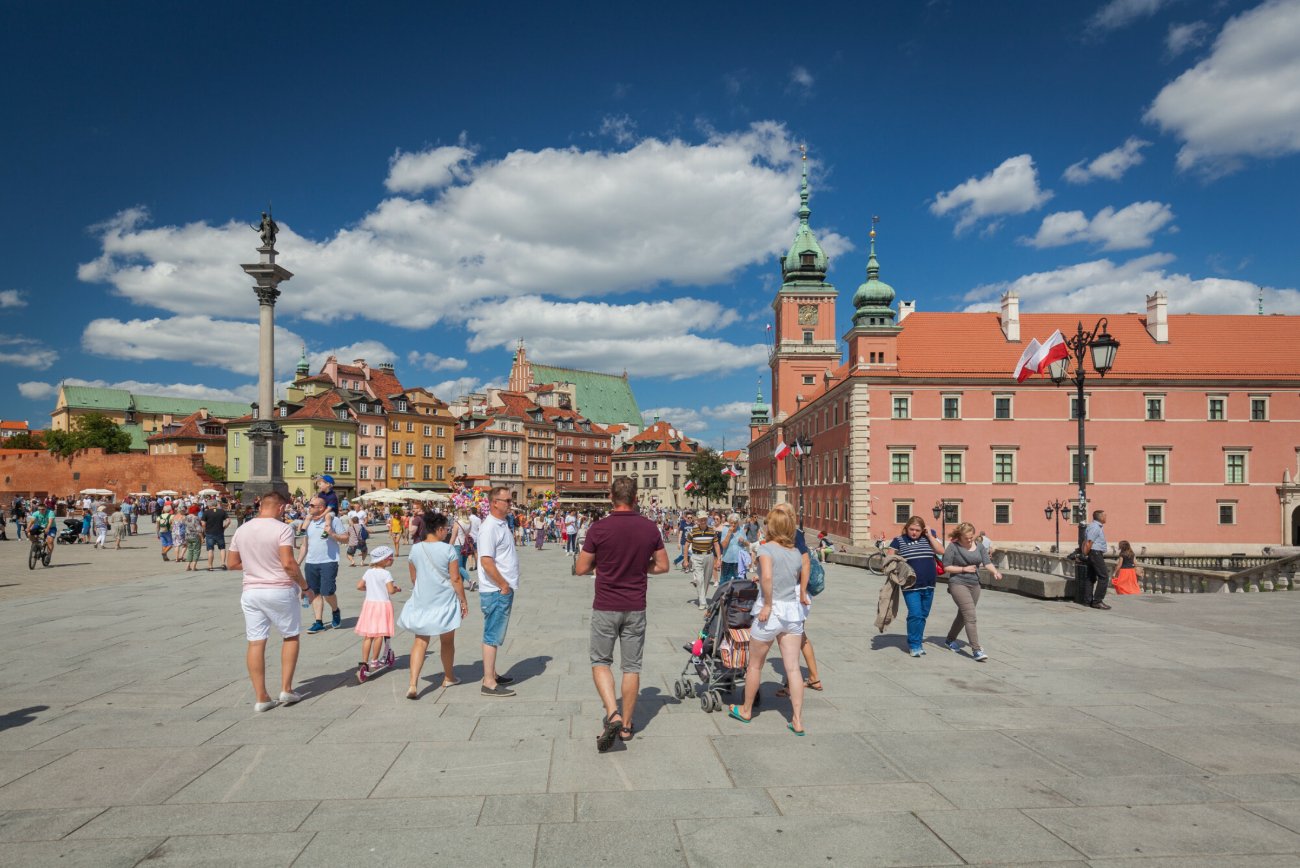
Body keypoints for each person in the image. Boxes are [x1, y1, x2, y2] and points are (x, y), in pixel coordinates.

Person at [575, 476, 669, 752]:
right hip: (635, 605)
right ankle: (627, 726)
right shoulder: (649, 528)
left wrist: (600, 566)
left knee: (601, 660)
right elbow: (663, 566)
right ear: (636, 496)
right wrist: (641, 568)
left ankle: (612, 713)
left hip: (606, 604)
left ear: (610, 496)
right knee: (632, 666)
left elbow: (581, 568)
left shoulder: (598, 528)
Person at [728, 505, 811, 735]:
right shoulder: (795, 551)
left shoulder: (766, 550)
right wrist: (802, 593)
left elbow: (766, 577)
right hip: (792, 612)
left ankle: (745, 710)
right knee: (793, 668)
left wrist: (767, 604)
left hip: (771, 612)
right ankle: (797, 720)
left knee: (755, 665)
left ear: (772, 527)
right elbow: (802, 571)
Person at [227, 490, 310, 712]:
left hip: (252, 592)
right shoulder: (283, 529)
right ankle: (286, 688)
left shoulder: (242, 529)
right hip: (279, 590)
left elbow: (232, 563)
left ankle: (261, 697)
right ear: (281, 508)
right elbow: (288, 563)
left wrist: (257, 565)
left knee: (256, 641)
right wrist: (305, 587)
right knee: (290, 636)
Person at [400, 512, 468, 699]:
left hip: (423, 599)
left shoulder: (415, 549)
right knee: (447, 641)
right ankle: (448, 677)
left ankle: (413, 684)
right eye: (446, 528)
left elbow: (414, 578)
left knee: (420, 641)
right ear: (438, 529)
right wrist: (463, 600)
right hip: (444, 599)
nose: (446, 532)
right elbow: (455, 578)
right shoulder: (448, 550)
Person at [477, 486, 519, 697]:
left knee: (494, 632)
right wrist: (503, 585)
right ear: (494, 503)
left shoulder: (501, 524)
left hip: (500, 588)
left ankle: (492, 672)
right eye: (507, 501)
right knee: (492, 635)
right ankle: (489, 682)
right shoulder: (489, 527)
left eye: (510, 500)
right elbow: (486, 561)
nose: (510, 504)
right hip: (495, 590)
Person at [943, 522, 1004, 662]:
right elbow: (946, 567)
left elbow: (987, 562)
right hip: (958, 583)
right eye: (966, 538)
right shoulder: (953, 547)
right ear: (960, 536)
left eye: (971, 537)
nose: (970, 540)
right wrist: (963, 569)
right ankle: (976, 650)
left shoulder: (980, 546)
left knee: (963, 615)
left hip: (975, 584)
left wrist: (995, 572)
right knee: (970, 616)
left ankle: (949, 639)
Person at [888, 516, 946, 657]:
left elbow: (941, 551)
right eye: (911, 529)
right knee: (915, 614)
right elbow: (889, 559)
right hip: (910, 585)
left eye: (918, 530)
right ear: (906, 528)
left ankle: (918, 641)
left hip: (929, 584)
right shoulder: (899, 540)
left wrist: (930, 535)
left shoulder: (927, 538)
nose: (914, 532)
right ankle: (914, 645)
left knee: (923, 615)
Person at [300, 495, 350, 634]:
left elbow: (346, 538)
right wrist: (297, 562)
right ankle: (318, 622)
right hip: (311, 562)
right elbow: (305, 545)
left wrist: (332, 534)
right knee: (314, 593)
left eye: (311, 506)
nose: (308, 508)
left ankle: (335, 610)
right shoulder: (308, 521)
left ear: (321, 507)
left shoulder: (334, 520)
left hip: (329, 561)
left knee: (327, 592)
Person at [355, 546, 400, 681]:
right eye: (390, 558)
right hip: (382, 605)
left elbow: (359, 586)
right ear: (384, 560)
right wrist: (397, 589)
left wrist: (370, 589)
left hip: (369, 605)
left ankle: (364, 661)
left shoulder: (369, 572)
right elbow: (390, 590)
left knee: (368, 635)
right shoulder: (386, 574)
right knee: (380, 634)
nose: (392, 560)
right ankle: (374, 660)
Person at [684, 511, 722, 609]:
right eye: (701, 519)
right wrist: (685, 560)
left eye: (705, 519)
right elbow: (687, 545)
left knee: (706, 579)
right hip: (696, 556)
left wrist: (718, 559)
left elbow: (716, 545)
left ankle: (702, 597)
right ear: (698, 520)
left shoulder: (712, 531)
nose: (703, 521)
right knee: (699, 579)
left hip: (709, 556)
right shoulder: (693, 531)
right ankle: (702, 602)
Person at [1082, 510, 1111, 609]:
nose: (1106, 517)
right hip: (1095, 553)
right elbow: (1089, 542)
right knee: (1104, 577)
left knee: (1091, 577)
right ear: (1100, 517)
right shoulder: (1095, 527)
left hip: (1093, 553)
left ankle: (1087, 600)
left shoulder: (1093, 526)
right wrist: (1085, 554)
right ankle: (1097, 601)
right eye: (1105, 515)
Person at [718, 513, 745, 582]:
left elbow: (747, 544)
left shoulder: (741, 530)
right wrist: (729, 533)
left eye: (735, 523)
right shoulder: (725, 529)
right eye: (731, 523)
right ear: (729, 522)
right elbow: (724, 546)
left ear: (738, 522)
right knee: (725, 582)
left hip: (739, 561)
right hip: (727, 560)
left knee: (740, 582)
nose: (733, 525)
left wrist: (743, 541)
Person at [203, 500, 230, 571]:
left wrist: (205, 529)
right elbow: (228, 520)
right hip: (219, 532)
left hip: (209, 532)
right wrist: (224, 527)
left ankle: (210, 566)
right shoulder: (222, 511)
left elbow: (203, 523)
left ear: (209, 505)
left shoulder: (206, 512)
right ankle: (223, 563)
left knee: (210, 549)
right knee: (222, 548)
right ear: (216, 504)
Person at [183, 506, 204, 570]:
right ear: (195, 511)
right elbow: (198, 528)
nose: (198, 513)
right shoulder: (196, 518)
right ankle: (193, 566)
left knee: (189, 550)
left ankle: (187, 566)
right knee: (196, 551)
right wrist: (202, 538)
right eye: (198, 511)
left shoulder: (186, 517)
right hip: (195, 536)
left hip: (187, 536)